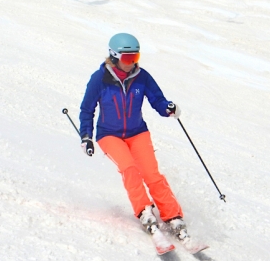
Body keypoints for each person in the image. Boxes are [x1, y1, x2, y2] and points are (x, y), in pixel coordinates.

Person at [79, 32, 192, 244]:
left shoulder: (142, 77)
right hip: (109, 135)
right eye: (127, 58)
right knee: (129, 168)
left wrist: (168, 108)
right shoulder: (99, 80)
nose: (132, 63)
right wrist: (86, 136)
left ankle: (173, 216)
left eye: (136, 58)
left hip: (138, 132)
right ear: (114, 57)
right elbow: (87, 109)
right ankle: (144, 212)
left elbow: (157, 100)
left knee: (151, 174)